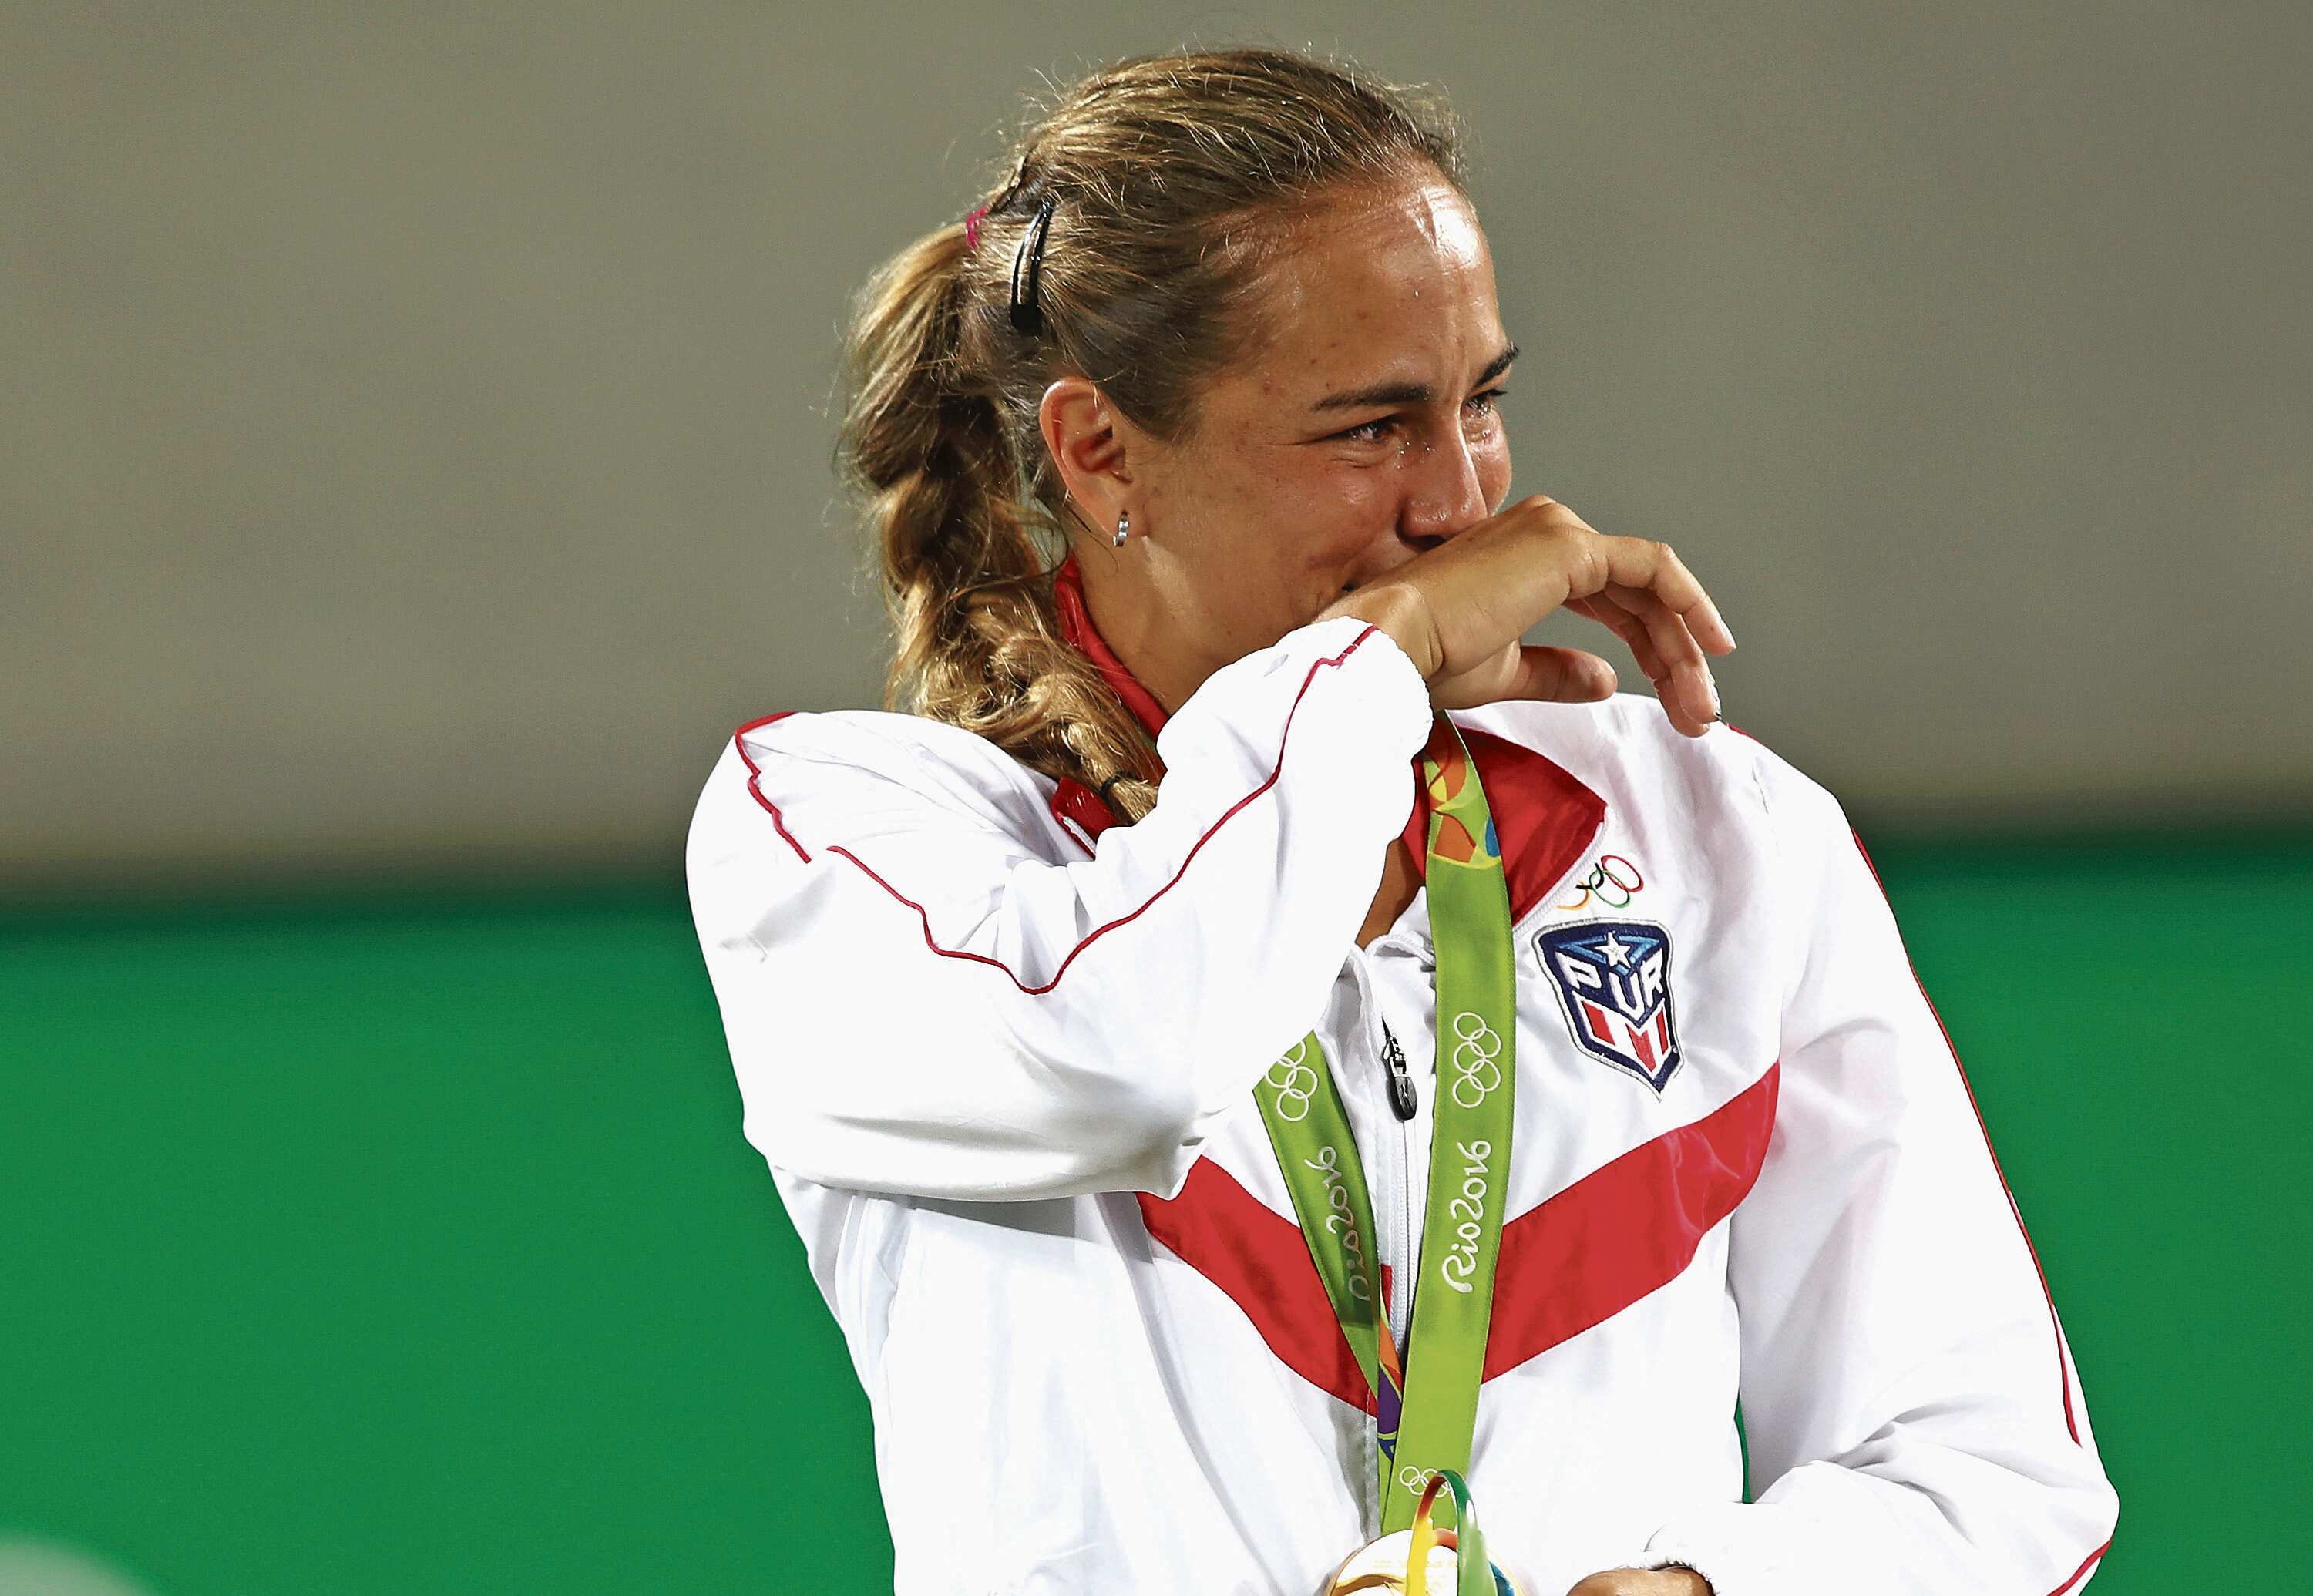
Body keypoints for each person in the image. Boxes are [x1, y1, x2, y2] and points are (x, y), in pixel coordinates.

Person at [686, 46, 2117, 1596]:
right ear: (1103, 452)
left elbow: (1992, 1468)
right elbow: (1120, 1053)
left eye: (1482, 402)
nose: (1460, 502)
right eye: (1371, 429)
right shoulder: (847, 843)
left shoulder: (1712, 831)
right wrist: (1374, 665)